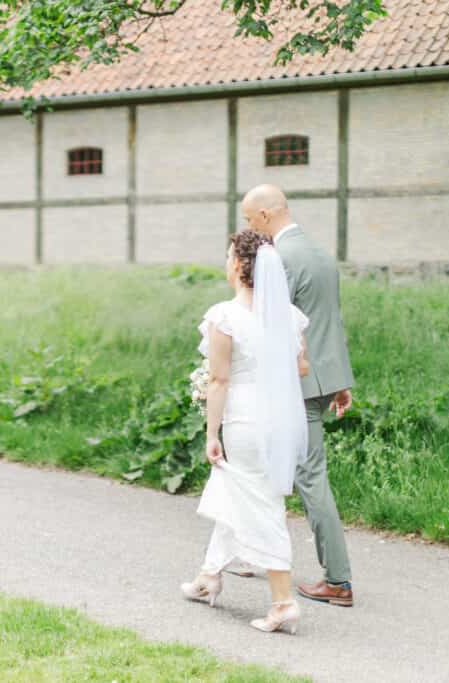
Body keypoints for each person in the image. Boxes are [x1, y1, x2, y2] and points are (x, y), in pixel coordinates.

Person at [180, 229, 311, 634]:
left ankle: (283, 602)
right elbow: (301, 367)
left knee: (263, 504)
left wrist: (211, 434)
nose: (226, 262)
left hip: (245, 420)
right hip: (280, 420)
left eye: (227, 256)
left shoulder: (225, 316)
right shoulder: (288, 316)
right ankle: (209, 576)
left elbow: (219, 380)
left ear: (238, 264)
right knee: (240, 490)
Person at [240, 184, 356, 607]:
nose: (249, 228)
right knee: (267, 461)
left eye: (249, 220)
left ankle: (338, 580)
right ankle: (255, 553)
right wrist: (339, 381)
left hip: (296, 384)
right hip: (323, 379)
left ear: (265, 215)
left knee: (309, 477)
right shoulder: (320, 253)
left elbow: (272, 328)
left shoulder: (279, 259)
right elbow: (329, 321)